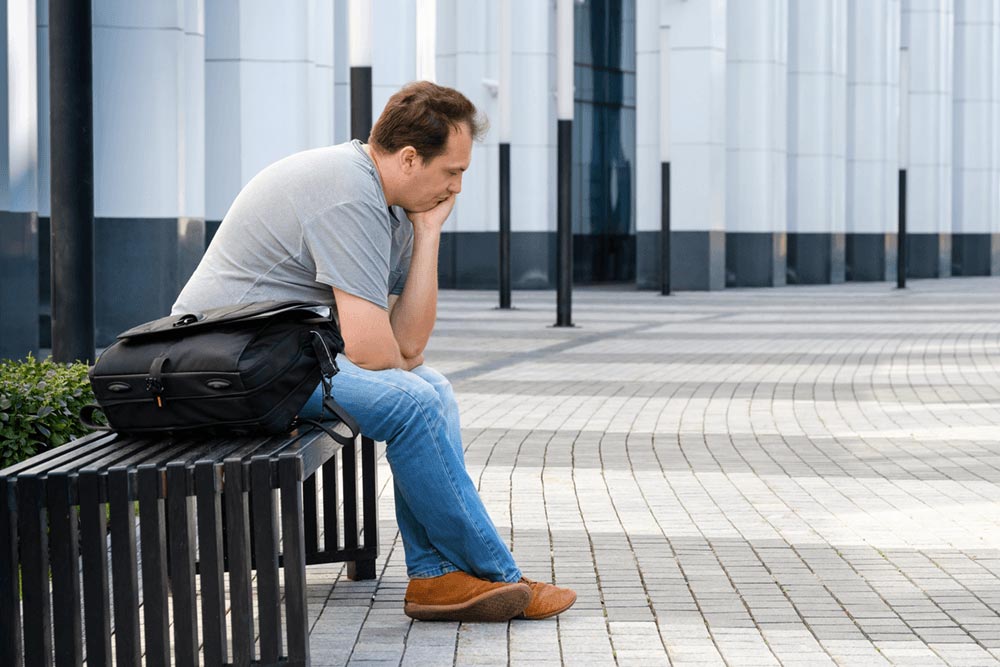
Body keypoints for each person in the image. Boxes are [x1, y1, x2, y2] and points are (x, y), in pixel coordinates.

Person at [173, 81, 576, 622]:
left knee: (429, 387)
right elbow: (371, 351)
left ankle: (437, 579)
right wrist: (393, 357)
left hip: (277, 359)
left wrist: (428, 232)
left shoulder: (393, 205)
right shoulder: (345, 189)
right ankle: (497, 576)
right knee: (414, 402)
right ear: (410, 158)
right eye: (452, 171)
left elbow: (406, 346)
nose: (457, 187)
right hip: (226, 368)